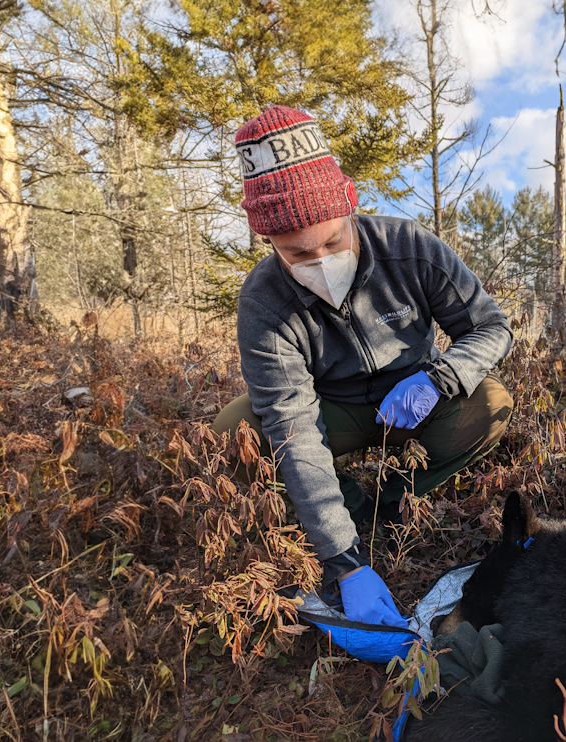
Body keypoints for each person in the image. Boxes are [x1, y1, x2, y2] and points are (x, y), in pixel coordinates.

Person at [212, 106, 514, 629]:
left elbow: (492, 328)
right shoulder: (263, 301)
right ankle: (352, 516)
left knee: (492, 403)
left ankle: (397, 505)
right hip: (335, 411)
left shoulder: (409, 247)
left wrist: (440, 377)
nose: (320, 262)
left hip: (418, 399)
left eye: (332, 242)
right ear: (270, 244)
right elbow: (293, 429)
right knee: (234, 430)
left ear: (351, 210)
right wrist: (343, 562)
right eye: (297, 253)